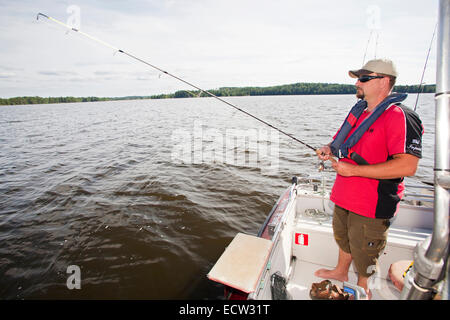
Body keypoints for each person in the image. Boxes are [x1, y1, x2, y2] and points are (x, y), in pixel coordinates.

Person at [314, 59, 424, 299]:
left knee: (365, 250)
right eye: (358, 78)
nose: (357, 82)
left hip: (372, 203)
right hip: (344, 194)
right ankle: (341, 271)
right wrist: (328, 149)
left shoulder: (401, 116)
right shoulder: (359, 112)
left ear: (384, 82)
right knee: (343, 237)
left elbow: (408, 165)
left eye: (364, 78)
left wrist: (353, 171)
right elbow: (341, 143)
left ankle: (363, 288)